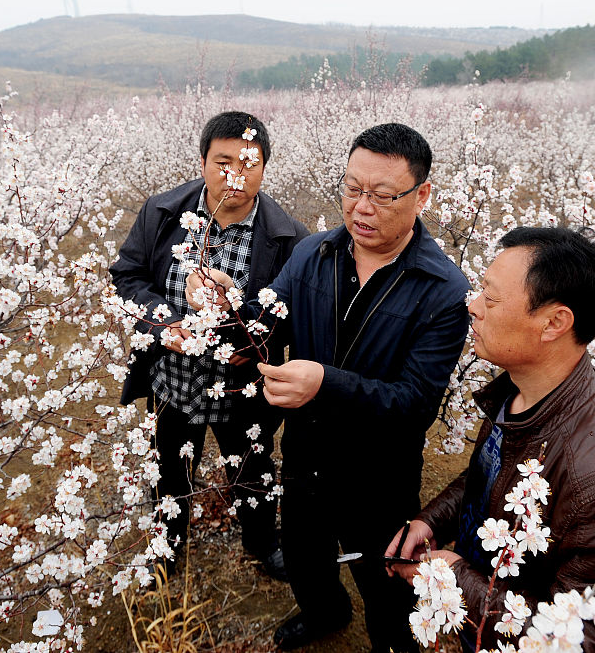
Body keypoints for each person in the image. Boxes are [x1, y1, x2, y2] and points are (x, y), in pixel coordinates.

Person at [194, 123, 470, 651]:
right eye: (351, 189)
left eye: (383, 196)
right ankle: (324, 614)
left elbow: (414, 405)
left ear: (422, 194)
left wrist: (322, 383)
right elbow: (266, 319)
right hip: (303, 453)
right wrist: (225, 306)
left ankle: (392, 640)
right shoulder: (314, 254)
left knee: (385, 578)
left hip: (378, 474)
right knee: (305, 555)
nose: (361, 208)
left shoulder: (442, 290)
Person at [385, 226, 595, 653]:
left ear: (555, 322)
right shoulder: (521, 393)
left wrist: (457, 578)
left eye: (492, 299)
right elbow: (491, 475)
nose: (474, 307)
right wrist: (433, 520)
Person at [109, 110, 308, 579]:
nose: (234, 175)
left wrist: (238, 313)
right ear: (201, 162)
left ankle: (262, 543)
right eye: (222, 162)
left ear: (264, 168)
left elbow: (292, 318)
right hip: (171, 381)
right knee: (170, 471)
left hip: (242, 389)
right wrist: (167, 325)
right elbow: (128, 276)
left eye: (249, 163)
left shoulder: (289, 238)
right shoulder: (162, 213)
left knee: (254, 471)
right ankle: (166, 547)